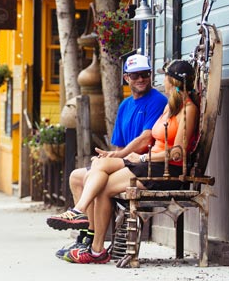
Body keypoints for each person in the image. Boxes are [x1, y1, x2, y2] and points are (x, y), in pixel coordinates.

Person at [52, 59, 199, 265]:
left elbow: (178, 152)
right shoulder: (170, 106)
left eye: (161, 76)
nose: (152, 79)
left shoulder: (188, 109)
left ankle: (95, 248)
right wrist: (120, 156)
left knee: (102, 187)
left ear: (171, 81)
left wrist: (141, 157)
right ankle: (79, 213)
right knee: (99, 164)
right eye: (136, 75)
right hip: (148, 163)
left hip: (163, 170)